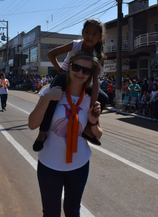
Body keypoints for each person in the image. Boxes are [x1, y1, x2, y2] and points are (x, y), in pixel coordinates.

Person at [28, 52, 103, 217]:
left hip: (79, 166)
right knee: (50, 213)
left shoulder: (90, 99)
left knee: (72, 212)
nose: (80, 73)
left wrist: (92, 121)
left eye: (86, 70)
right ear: (69, 67)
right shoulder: (53, 91)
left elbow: (97, 134)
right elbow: (32, 124)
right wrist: (46, 98)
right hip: (49, 165)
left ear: (90, 74)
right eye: (76, 67)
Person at [32, 18, 108, 152]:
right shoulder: (75, 44)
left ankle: (87, 128)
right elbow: (51, 54)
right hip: (66, 75)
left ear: (100, 37)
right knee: (52, 100)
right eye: (87, 32)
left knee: (103, 98)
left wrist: (92, 105)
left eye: (94, 34)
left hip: (83, 79)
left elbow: (95, 80)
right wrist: (60, 70)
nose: (90, 36)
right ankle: (42, 133)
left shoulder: (98, 55)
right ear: (83, 32)